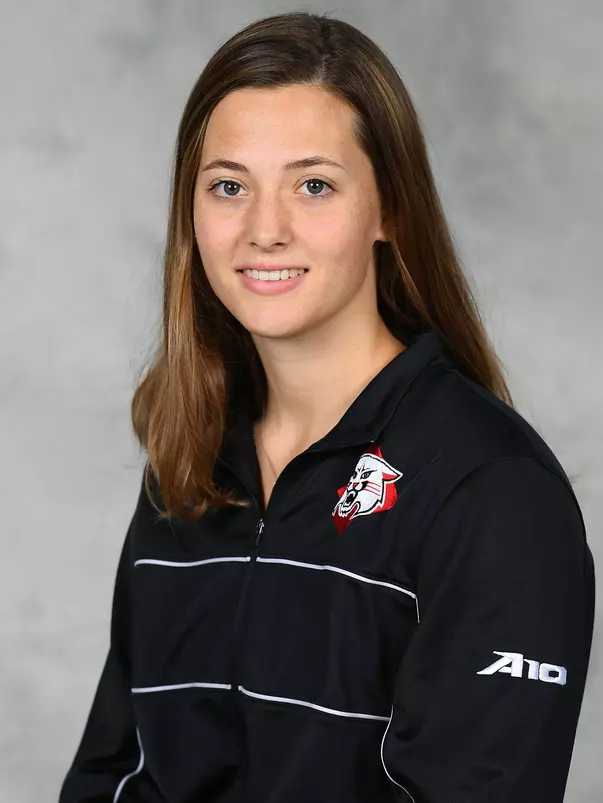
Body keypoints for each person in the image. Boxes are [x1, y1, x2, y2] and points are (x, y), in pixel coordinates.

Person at [58, 10, 595, 803]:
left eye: (314, 185)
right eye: (228, 186)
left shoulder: (490, 490)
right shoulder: (189, 462)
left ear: (390, 210)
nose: (263, 229)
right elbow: (114, 774)